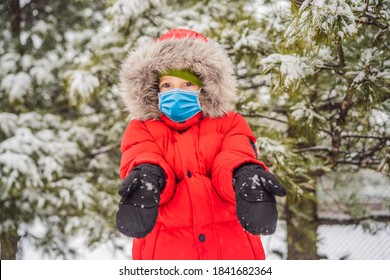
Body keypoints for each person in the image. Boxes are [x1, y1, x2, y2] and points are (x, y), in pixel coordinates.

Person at [116, 28, 286, 260]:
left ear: (205, 87)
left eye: (187, 84)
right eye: (167, 85)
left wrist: (244, 175)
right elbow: (142, 155)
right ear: (154, 89)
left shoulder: (230, 123)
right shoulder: (142, 128)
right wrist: (148, 177)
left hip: (230, 253)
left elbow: (234, 154)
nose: (176, 92)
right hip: (168, 254)